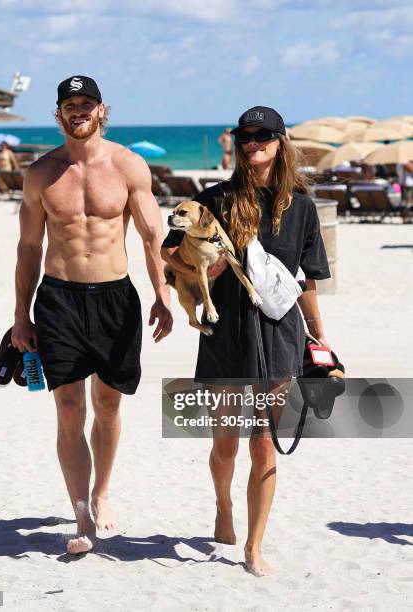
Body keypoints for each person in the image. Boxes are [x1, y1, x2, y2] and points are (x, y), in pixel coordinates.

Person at [161, 106, 330, 576]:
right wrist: (200, 268)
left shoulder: (302, 206)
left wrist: (320, 337)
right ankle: (222, 506)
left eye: (261, 135)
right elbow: (167, 251)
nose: (251, 143)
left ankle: (254, 547)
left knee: (263, 443)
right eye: (244, 136)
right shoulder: (213, 199)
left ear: (280, 142)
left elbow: (310, 279)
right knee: (225, 443)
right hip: (228, 330)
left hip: (280, 332)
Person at [11, 75, 173, 554]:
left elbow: (151, 236)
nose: (78, 111)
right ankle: (81, 517)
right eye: (69, 104)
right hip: (59, 300)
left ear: (102, 110)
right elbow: (27, 246)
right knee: (67, 409)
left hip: (114, 300)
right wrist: (21, 315)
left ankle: (102, 492)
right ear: (58, 114)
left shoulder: (128, 166)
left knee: (107, 406)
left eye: (86, 103)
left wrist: (162, 291)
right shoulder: (40, 173)